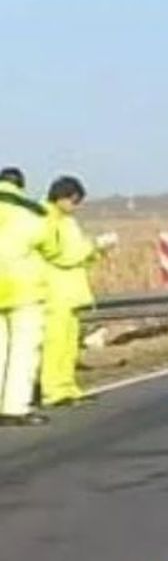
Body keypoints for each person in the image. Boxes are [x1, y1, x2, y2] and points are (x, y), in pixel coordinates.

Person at [41, 176, 118, 407]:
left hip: (70, 291)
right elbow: (61, 255)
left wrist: (97, 251)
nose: (76, 207)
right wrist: (93, 246)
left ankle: (67, 386)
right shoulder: (46, 219)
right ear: (62, 197)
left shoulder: (67, 221)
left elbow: (78, 254)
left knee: (68, 345)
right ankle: (53, 390)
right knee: (54, 344)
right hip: (54, 290)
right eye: (74, 201)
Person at [0, 168, 55, 426]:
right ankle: (15, 407)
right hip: (22, 288)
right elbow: (51, 247)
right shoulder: (32, 213)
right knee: (23, 349)